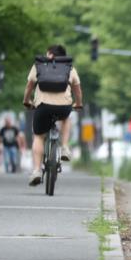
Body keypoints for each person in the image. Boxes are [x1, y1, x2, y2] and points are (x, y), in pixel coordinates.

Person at [22, 45, 83, 186]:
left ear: (49, 54)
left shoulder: (38, 65)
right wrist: (78, 104)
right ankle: (65, 148)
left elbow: (29, 87)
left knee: (38, 136)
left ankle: (37, 170)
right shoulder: (70, 68)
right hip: (63, 107)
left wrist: (26, 101)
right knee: (66, 117)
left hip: (42, 107)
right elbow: (78, 91)